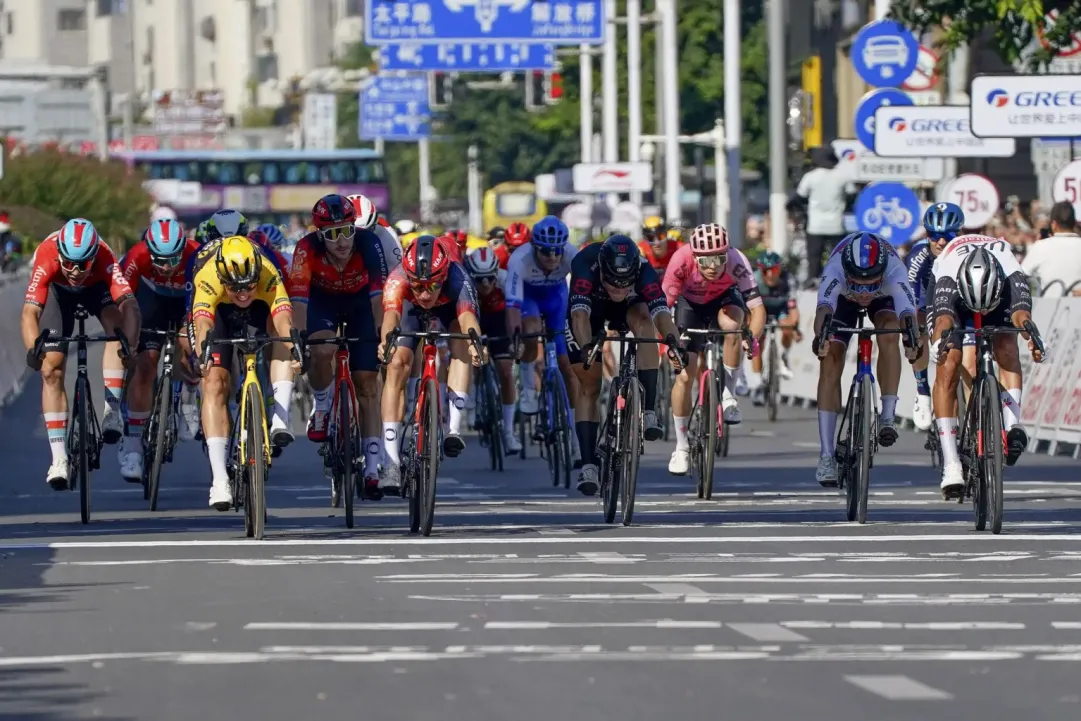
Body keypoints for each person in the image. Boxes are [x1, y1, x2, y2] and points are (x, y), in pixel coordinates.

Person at [21, 219, 141, 487]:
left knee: (116, 329)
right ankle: (59, 458)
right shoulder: (47, 255)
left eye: (82, 264)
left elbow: (130, 307)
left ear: (93, 257)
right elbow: (30, 312)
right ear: (61, 254)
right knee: (51, 368)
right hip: (57, 293)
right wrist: (34, 350)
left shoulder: (105, 258)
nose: (75, 271)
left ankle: (112, 409)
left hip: (96, 289)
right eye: (69, 263)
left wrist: (129, 347)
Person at [288, 194, 391, 499]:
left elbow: (379, 300)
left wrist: (383, 337)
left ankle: (373, 468)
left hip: (361, 304)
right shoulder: (306, 249)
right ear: (320, 235)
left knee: (368, 385)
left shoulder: (369, 244)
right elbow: (298, 300)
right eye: (332, 235)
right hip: (323, 303)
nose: (342, 241)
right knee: (320, 351)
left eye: (346, 230)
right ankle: (321, 406)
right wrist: (298, 340)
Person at [567, 234, 687, 495]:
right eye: (613, 283)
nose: (619, 289)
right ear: (602, 270)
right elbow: (579, 316)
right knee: (589, 384)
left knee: (645, 324)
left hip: (630, 310)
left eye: (625, 283)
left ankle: (649, 410)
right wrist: (588, 347)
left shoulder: (644, 270)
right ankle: (588, 464)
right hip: (592, 311)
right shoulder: (585, 264)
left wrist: (674, 343)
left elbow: (662, 314)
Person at [190, 235, 300, 509]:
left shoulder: (267, 270)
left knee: (283, 340)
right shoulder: (207, 276)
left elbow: (284, 318)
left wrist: (295, 346)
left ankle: (280, 419)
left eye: (249, 285)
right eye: (234, 287)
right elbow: (203, 322)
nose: (242, 293)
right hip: (219, 316)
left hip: (260, 311)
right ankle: (219, 480)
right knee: (214, 382)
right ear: (221, 276)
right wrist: (203, 350)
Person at [929, 238, 1044, 496]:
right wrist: (939, 343)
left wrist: (1033, 340)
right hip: (957, 298)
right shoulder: (947, 274)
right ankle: (951, 463)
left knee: (1006, 345)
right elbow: (944, 320)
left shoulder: (1012, 272)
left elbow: (1022, 317)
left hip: (994, 294)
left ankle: (1012, 425)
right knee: (949, 363)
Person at [811, 232, 920, 486]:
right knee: (830, 360)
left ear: (881, 273)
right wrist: (821, 339)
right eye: (857, 283)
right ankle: (826, 455)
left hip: (884, 299)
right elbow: (824, 309)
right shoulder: (835, 268)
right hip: (842, 301)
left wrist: (912, 341)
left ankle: (888, 416)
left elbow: (907, 314)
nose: (863, 292)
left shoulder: (894, 269)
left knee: (890, 331)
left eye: (870, 283)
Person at [378, 236, 484, 491]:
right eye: (417, 286)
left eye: (432, 285)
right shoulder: (398, 277)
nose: (425, 294)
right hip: (409, 312)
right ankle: (390, 461)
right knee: (396, 363)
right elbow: (391, 315)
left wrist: (476, 344)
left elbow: (468, 318)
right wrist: (386, 343)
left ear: (444, 277)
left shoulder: (458, 278)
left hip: (451, 309)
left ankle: (453, 428)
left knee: (462, 343)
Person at [104, 219, 201, 481]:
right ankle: (133, 446)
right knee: (145, 365)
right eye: (161, 260)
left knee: (192, 348)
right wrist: (127, 343)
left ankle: (189, 400)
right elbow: (122, 303)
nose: (168, 267)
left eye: (173, 259)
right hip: (151, 302)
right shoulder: (137, 256)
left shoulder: (198, 253)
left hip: (186, 303)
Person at [663, 223, 761, 474]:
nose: (713, 267)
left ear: (727, 253)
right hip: (690, 306)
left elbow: (757, 309)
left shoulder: (737, 261)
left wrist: (754, 337)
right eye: (705, 261)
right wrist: (668, 347)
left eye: (719, 259)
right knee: (685, 375)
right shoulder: (680, 260)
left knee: (732, 326)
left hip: (725, 299)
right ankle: (682, 446)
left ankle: (728, 395)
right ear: (694, 256)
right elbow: (661, 310)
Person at [505, 215, 581, 460]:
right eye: (546, 251)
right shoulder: (520, 259)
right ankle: (528, 388)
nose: (552, 257)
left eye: (557, 251)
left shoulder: (573, 254)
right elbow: (513, 306)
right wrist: (515, 336)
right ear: (535, 247)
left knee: (568, 367)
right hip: (529, 299)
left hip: (558, 298)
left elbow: (584, 293)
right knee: (531, 328)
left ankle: (576, 436)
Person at [907, 202, 965, 431]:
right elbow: (909, 291)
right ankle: (922, 392)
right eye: (934, 235)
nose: (941, 242)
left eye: (949, 235)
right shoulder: (919, 253)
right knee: (916, 327)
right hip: (924, 298)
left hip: (956, 297)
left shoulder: (965, 249)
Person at [464, 245, 521, 452]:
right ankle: (475, 403)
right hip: (473, 319)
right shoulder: (464, 283)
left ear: (496, 273)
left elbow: (514, 313)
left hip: (499, 321)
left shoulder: (506, 279)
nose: (486, 283)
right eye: (480, 279)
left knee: (506, 372)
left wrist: (516, 340)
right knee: (474, 363)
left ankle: (508, 431)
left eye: (489, 277)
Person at [748, 251, 801, 406]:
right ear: (760, 271)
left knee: (787, 326)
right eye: (766, 271)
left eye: (775, 270)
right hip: (760, 309)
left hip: (780, 309)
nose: (770, 274)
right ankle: (758, 381)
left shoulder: (788, 279)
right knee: (757, 340)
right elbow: (749, 311)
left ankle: (784, 355)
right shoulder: (754, 280)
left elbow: (793, 308)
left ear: (780, 270)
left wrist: (795, 329)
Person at [796, 146, 852, 287]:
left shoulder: (811, 177)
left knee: (814, 255)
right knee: (838, 255)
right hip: (836, 223)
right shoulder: (842, 176)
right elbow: (852, 194)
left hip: (815, 224)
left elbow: (800, 197)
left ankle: (812, 280)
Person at [1021, 201, 1081, 296]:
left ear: (1053, 225)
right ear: (1074, 224)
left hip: (1050, 308)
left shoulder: (1041, 246)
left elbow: (1021, 274)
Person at [348, 193, 403, 271]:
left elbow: (398, 270)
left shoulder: (387, 233)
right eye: (354, 232)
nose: (361, 239)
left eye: (367, 231)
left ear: (375, 223)